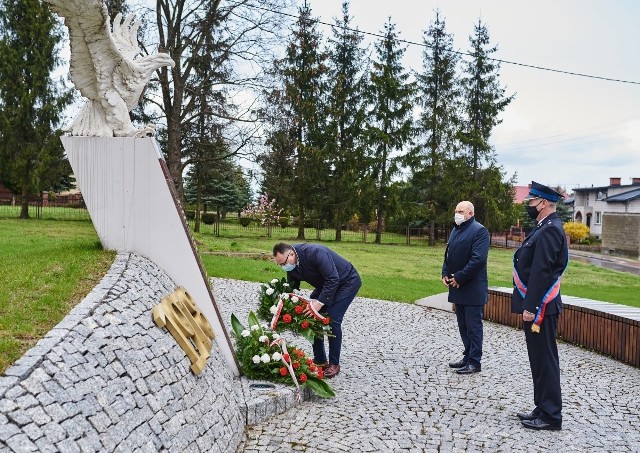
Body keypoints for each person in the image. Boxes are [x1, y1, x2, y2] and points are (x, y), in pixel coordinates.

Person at [512, 181, 568, 431]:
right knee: (538, 359)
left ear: (544, 203)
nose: (530, 206)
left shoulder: (551, 229)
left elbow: (542, 271)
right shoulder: (544, 226)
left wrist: (531, 306)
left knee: (545, 360)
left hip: (542, 307)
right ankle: (542, 406)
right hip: (537, 305)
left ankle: (551, 415)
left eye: (532, 202)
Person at [272, 242, 361, 378]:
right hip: (325, 284)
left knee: (332, 319)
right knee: (310, 315)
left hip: (346, 282)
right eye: (280, 265)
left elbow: (333, 278)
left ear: (290, 254)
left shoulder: (315, 252)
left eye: (283, 263)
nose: (283, 267)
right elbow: (292, 289)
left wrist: (319, 303)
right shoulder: (292, 265)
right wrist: (282, 306)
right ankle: (320, 360)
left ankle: (334, 364)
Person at [442, 201, 490, 375]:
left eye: (460, 211)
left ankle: (474, 362)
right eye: (456, 211)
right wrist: (445, 273)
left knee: (473, 326)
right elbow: (448, 254)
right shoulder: (456, 229)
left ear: (470, 213)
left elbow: (478, 260)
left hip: (472, 288)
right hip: (457, 286)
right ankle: (467, 355)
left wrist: (459, 277)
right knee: (463, 325)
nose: (457, 214)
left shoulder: (479, 231)